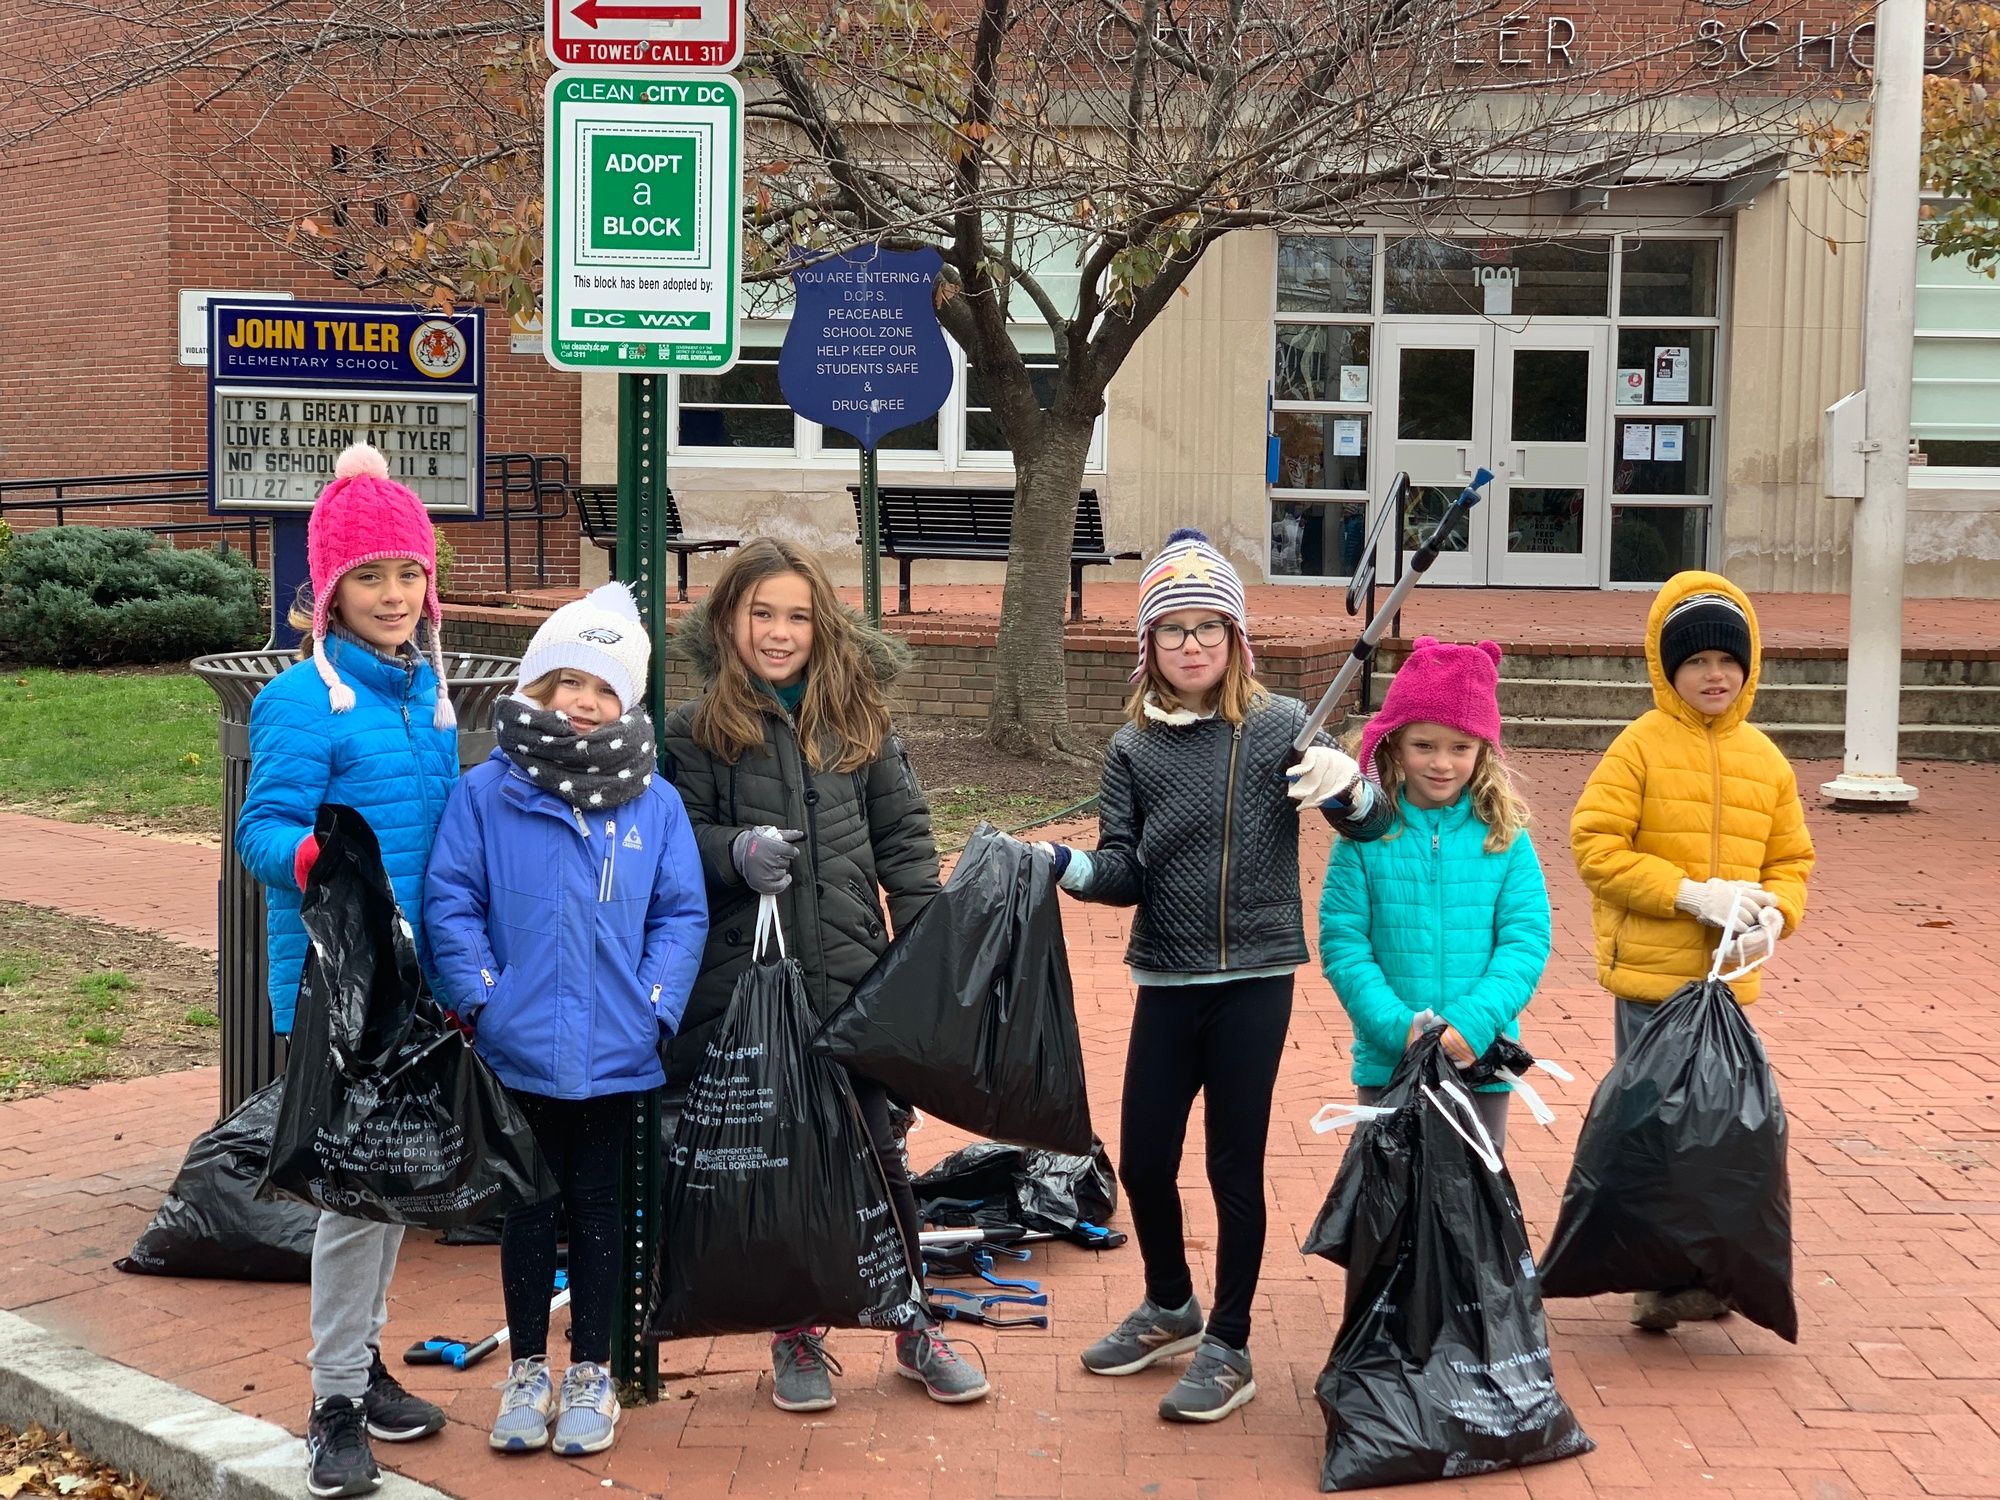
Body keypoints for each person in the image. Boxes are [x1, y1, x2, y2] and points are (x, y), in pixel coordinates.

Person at [1041, 527, 1394, 1423]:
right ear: (1147, 645)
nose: (1190, 645)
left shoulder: (1282, 728)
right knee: (1145, 1159)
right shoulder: (1133, 749)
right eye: (1172, 630)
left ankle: (1229, 1341)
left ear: (1235, 640)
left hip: (1254, 979)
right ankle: (1171, 1303)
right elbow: (1122, 871)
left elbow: (1373, 823)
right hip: (1166, 974)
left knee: (1233, 1163)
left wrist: (1344, 784)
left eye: (1208, 628)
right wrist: (1063, 865)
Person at [661, 538, 990, 1410]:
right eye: (761, 614)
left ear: (823, 625)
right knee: (778, 1162)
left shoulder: (861, 725)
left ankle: (912, 1320)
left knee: (880, 1157)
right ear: (728, 620)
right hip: (748, 991)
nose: (778, 632)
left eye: (796, 616)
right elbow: (671, 846)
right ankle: (796, 1332)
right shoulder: (694, 730)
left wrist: (925, 968)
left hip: (852, 985)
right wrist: (735, 850)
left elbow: (909, 852)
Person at [426, 583, 708, 1458]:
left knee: (598, 1212)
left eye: (604, 688)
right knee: (525, 1210)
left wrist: (656, 1008)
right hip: (517, 1049)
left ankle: (592, 1369)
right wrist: (484, 997)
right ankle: (526, 1369)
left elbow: (679, 915)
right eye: (567, 683)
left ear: (626, 703)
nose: (584, 703)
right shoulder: (487, 794)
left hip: (618, 1053)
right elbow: (452, 899)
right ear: (539, 688)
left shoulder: (653, 804)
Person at [234, 443, 457, 1498]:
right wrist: (322, 858)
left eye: (407, 573)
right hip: (337, 990)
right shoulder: (301, 700)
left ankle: (364, 1369)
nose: (393, 595)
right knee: (351, 1200)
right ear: (329, 593)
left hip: (416, 988)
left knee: (392, 1183)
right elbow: (260, 835)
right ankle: (330, 1405)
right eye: (368, 577)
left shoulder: (427, 700)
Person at [1569, 571, 1815, 1333]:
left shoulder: (1767, 761)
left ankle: (1704, 1275)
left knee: (1726, 1140)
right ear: (1668, 670)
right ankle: (1657, 1277)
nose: (1714, 675)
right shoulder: (1639, 746)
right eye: (1697, 662)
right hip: (1653, 985)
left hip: (1727, 991)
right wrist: (1689, 893)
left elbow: (1791, 862)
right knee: (1654, 1138)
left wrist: (1776, 917)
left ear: (1749, 668)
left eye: (1727, 662)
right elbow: (1595, 846)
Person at [1318, 637, 1552, 1165]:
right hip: (1389, 1063)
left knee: (1470, 1214)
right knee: (1390, 1213)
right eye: (1424, 745)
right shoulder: (1364, 837)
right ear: (1395, 745)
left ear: (1483, 750)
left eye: (1460, 747)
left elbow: (1525, 941)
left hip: (1480, 1059)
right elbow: (1343, 944)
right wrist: (1396, 1028)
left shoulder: (1506, 835)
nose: (1442, 763)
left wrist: (1472, 1024)